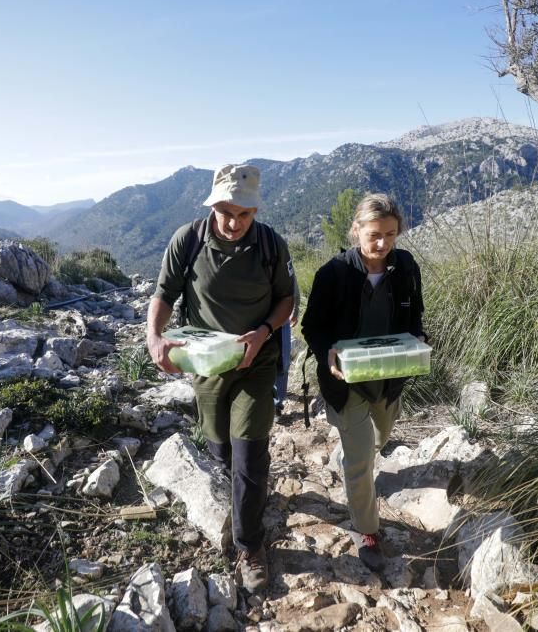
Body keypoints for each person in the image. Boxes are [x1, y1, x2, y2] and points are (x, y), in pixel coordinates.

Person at [147, 163, 294, 593]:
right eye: (226, 212)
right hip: (207, 363)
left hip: (256, 360)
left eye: (244, 214)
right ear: (212, 204)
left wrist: (263, 332)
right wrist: (154, 337)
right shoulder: (188, 240)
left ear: (255, 212)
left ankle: (250, 545)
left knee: (249, 449)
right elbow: (164, 295)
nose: (233, 223)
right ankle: (245, 495)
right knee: (220, 448)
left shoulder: (270, 244)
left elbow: (286, 300)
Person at [300, 193, 425, 571]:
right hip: (346, 382)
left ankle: (355, 461)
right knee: (360, 461)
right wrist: (329, 351)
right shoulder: (333, 274)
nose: (382, 243)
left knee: (380, 439)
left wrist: (418, 340)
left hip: (388, 378)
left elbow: (414, 314)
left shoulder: (404, 267)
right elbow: (311, 327)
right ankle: (366, 530)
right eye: (374, 234)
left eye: (390, 234)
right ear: (356, 231)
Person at [273, 277, 301, 414]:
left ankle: (276, 405)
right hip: (250, 320)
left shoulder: (275, 254)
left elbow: (290, 280)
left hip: (280, 317)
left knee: (282, 363)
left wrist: (294, 309)